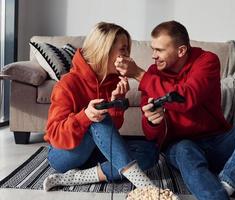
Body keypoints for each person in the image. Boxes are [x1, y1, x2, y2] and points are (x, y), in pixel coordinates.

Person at [115, 20, 235, 200]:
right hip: (180, 145)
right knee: (184, 149)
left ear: (181, 50)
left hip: (217, 141)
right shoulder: (153, 73)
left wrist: (138, 74)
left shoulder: (207, 61)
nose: (153, 56)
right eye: (153, 49)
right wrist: (152, 121)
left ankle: (229, 183)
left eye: (159, 50)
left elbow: (187, 98)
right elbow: (151, 135)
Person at [43, 22, 158, 191]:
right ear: (105, 49)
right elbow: (55, 135)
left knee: (149, 152)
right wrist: (85, 117)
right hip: (65, 155)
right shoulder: (67, 84)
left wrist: (116, 102)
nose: (127, 56)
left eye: (127, 50)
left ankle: (82, 177)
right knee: (98, 118)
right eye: (123, 49)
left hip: (94, 154)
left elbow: (113, 129)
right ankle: (146, 187)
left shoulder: (113, 82)